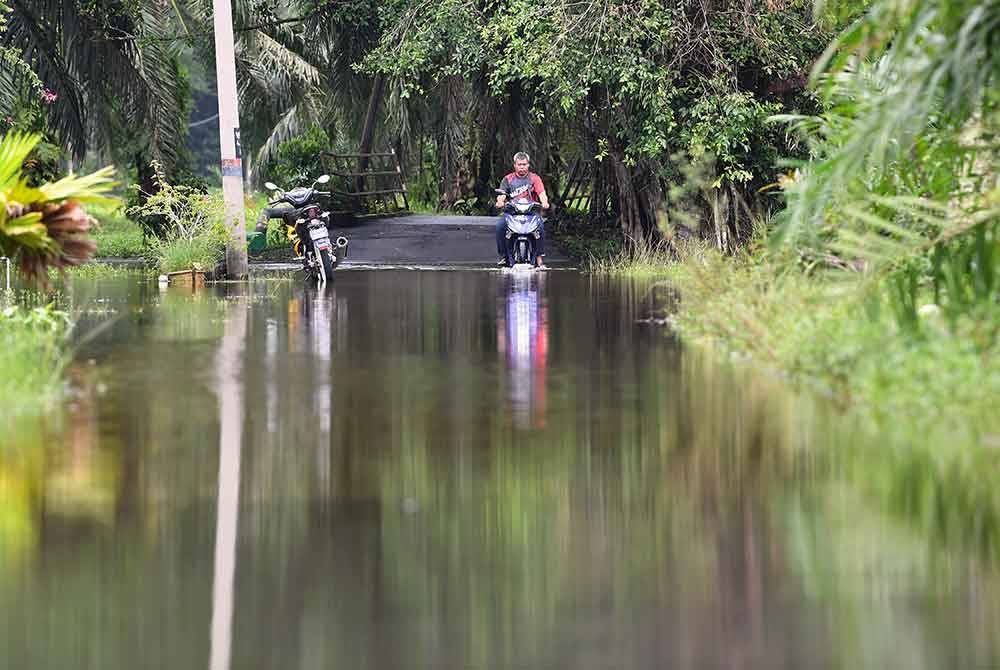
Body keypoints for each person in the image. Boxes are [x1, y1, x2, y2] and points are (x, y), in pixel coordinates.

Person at [495, 152, 550, 267]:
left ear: (528, 165)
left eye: (524, 164)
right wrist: (500, 202)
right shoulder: (508, 179)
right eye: (519, 164)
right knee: (500, 226)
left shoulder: (535, 178)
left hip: (531, 213)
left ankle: (539, 258)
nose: (522, 167)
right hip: (512, 213)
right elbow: (502, 194)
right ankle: (504, 256)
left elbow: (542, 193)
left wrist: (544, 202)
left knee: (540, 226)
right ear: (514, 165)